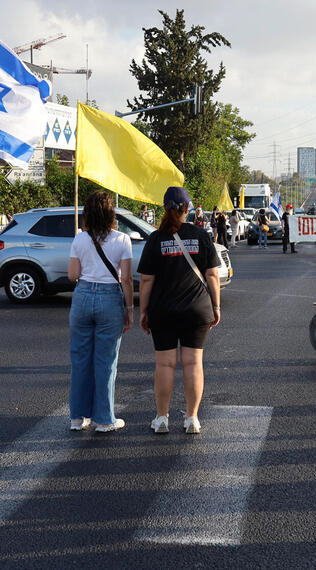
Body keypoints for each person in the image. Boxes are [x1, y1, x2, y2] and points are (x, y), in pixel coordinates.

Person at [138, 186, 221, 434]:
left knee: (164, 365)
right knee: (193, 363)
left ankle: (162, 418)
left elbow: (146, 280)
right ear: (188, 209)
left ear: (164, 208)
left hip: (162, 310)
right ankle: (192, 419)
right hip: (196, 309)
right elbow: (212, 275)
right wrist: (215, 306)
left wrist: (143, 311)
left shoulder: (155, 239)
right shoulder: (201, 235)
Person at [67, 191, 134, 432]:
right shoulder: (122, 240)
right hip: (110, 299)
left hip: (82, 297)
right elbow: (126, 279)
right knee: (106, 361)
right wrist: (130, 309)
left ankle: (77, 418)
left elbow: (72, 275)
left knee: (80, 359)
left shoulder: (79, 239)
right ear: (110, 213)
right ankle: (104, 419)